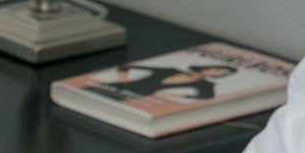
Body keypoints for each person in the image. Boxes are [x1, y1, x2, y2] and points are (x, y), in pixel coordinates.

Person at [91, 63, 236, 102]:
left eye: (221, 73)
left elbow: (206, 97)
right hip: (119, 86)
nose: (216, 72)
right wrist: (124, 76)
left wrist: (176, 96)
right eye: (218, 69)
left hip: (138, 96)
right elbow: (126, 66)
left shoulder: (206, 85)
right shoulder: (170, 70)